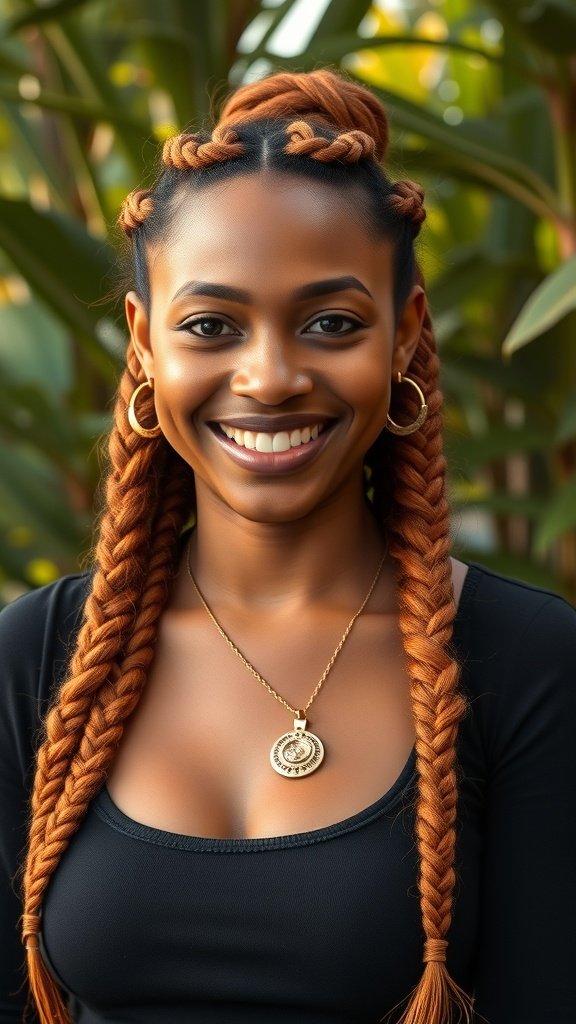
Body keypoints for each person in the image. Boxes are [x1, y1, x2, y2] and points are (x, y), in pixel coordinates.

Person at [1, 68, 575, 1024]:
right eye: (212, 326)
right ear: (145, 345)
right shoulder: (38, 660)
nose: (269, 377)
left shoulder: (525, 665)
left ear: (405, 333)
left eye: (331, 324)